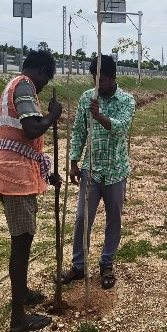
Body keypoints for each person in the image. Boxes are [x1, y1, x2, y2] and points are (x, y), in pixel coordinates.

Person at [0, 49, 62, 332]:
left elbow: (21, 142)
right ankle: (18, 317)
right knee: (21, 245)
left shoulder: (14, 84)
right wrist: (53, 115)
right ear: (42, 71)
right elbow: (32, 130)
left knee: (23, 242)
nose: (42, 88)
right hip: (16, 178)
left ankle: (22, 293)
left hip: (16, 172)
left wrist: (47, 174)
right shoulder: (24, 87)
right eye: (46, 80)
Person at [57, 54, 135, 289]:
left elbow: (121, 128)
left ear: (113, 77)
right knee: (82, 218)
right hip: (91, 170)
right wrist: (73, 162)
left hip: (116, 171)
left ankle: (107, 263)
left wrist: (99, 116)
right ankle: (78, 265)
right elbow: (79, 131)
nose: (97, 85)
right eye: (94, 79)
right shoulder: (86, 98)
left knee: (114, 220)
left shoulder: (126, 101)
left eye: (101, 80)